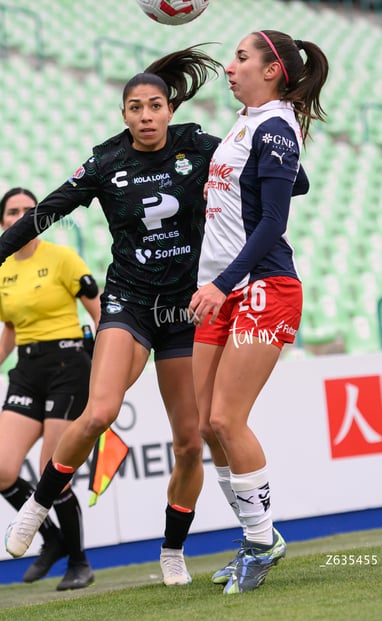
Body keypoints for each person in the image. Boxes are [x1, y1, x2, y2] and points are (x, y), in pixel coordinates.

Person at [0, 47, 223, 586]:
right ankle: (37, 508)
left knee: (188, 440)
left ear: (170, 109)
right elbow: (47, 210)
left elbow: (273, 180)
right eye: (136, 107)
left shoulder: (200, 147)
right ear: (124, 114)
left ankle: (173, 550)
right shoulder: (107, 161)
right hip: (129, 302)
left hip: (184, 309)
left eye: (155, 105)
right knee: (100, 410)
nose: (147, 115)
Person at [188, 30, 329, 594]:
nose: (230, 66)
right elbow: (297, 181)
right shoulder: (252, 123)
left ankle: (261, 542)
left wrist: (222, 283)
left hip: (263, 286)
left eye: (242, 58)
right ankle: (255, 537)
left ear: (273, 70)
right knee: (205, 427)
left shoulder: (273, 124)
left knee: (226, 419)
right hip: (223, 288)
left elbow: (274, 222)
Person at [0, 187, 100, 591]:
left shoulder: (62, 257)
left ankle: (79, 561)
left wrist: (105, 367)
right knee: (0, 470)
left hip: (69, 366)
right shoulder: (2, 270)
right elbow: (10, 326)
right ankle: (52, 539)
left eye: (31, 210)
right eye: (13, 211)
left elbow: (101, 313)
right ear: (2, 224)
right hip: (26, 369)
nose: (23, 216)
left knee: (53, 472)